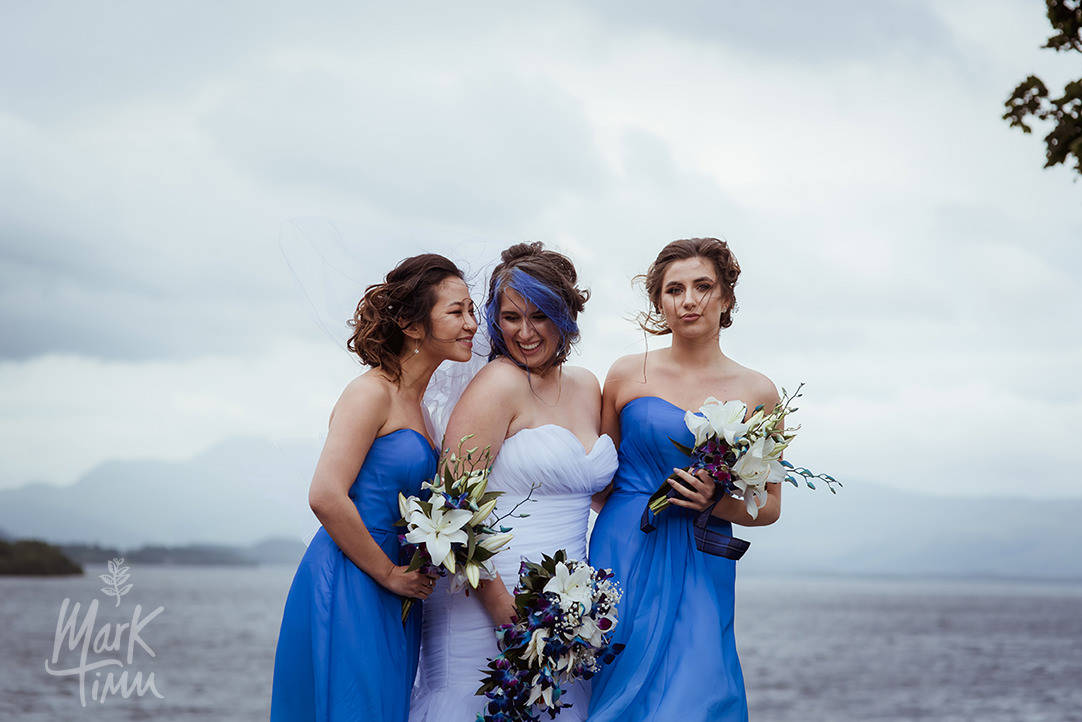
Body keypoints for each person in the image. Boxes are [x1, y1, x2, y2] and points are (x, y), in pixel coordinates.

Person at [409, 242, 617, 722]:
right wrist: (506, 612)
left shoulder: (587, 385)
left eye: (539, 316)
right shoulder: (497, 384)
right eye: (510, 317)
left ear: (565, 314)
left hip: (562, 612)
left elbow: (605, 495)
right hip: (485, 600)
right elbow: (449, 511)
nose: (524, 333)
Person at [271, 254, 478, 722]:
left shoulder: (420, 406)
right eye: (456, 312)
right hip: (354, 575)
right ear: (411, 323)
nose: (470, 324)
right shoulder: (371, 392)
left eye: (471, 311)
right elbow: (325, 494)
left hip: (398, 583)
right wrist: (387, 573)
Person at [587, 237, 782, 721]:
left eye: (703, 286)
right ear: (659, 302)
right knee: (613, 683)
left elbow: (770, 506)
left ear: (726, 297)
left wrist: (717, 501)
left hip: (703, 551)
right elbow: (599, 479)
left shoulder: (758, 391)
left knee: (701, 690)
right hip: (623, 548)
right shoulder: (627, 374)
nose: (689, 299)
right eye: (675, 289)